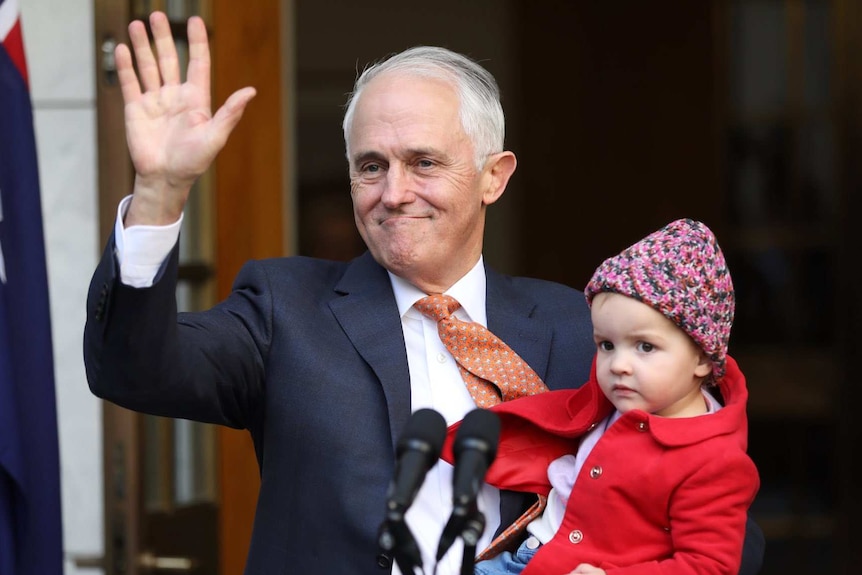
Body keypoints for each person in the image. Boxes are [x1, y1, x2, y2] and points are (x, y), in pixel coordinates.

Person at [83, 11, 764, 575]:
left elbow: (722, 517)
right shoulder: (284, 306)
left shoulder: (579, 326)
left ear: (493, 176)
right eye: (370, 166)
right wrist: (161, 193)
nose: (393, 192)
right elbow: (133, 368)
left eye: (424, 163)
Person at [442, 219, 758, 575]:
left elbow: (708, 566)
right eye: (606, 345)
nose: (619, 364)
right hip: (525, 557)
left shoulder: (714, 460)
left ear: (702, 356)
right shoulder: (616, 404)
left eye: (645, 347)